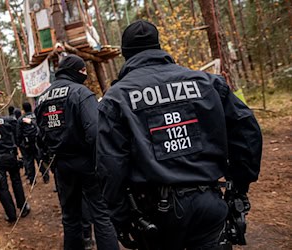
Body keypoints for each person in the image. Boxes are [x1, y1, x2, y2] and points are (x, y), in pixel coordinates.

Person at [96, 20, 262, 249]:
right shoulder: (207, 83)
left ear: (125, 55)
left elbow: (110, 165)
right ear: (158, 46)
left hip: (155, 217)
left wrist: (120, 218)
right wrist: (239, 186)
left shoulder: (115, 99)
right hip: (207, 203)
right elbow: (247, 129)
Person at [35, 54, 119, 250]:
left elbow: (39, 137)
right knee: (102, 215)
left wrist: (51, 161)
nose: (85, 74)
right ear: (73, 71)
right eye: (82, 71)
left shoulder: (42, 99)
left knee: (70, 217)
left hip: (62, 166)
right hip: (87, 163)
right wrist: (100, 162)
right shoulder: (81, 93)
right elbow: (95, 132)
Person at [17, 102, 49, 184]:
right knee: (40, 159)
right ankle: (46, 177)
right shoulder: (36, 115)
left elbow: (19, 133)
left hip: (27, 143)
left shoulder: (21, 119)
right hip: (38, 141)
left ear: (23, 109)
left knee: (29, 161)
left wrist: (19, 144)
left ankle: (32, 180)